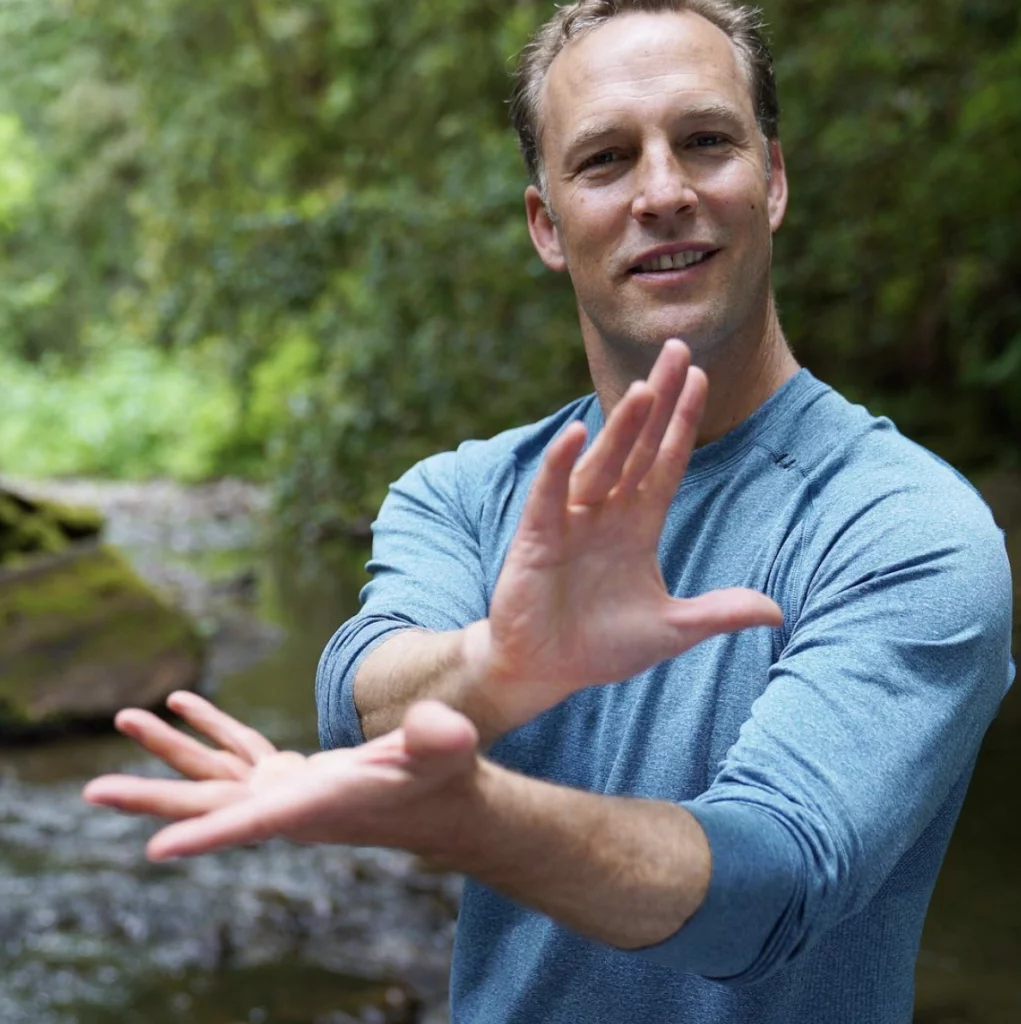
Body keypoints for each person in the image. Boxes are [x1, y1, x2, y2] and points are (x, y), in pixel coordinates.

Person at [84, 2, 1014, 1022]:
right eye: (606, 159)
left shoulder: (907, 527)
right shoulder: (466, 492)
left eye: (705, 141)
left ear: (774, 180)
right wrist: (499, 668)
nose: (663, 192)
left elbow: (771, 886)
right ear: (545, 224)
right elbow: (357, 695)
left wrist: (476, 820)